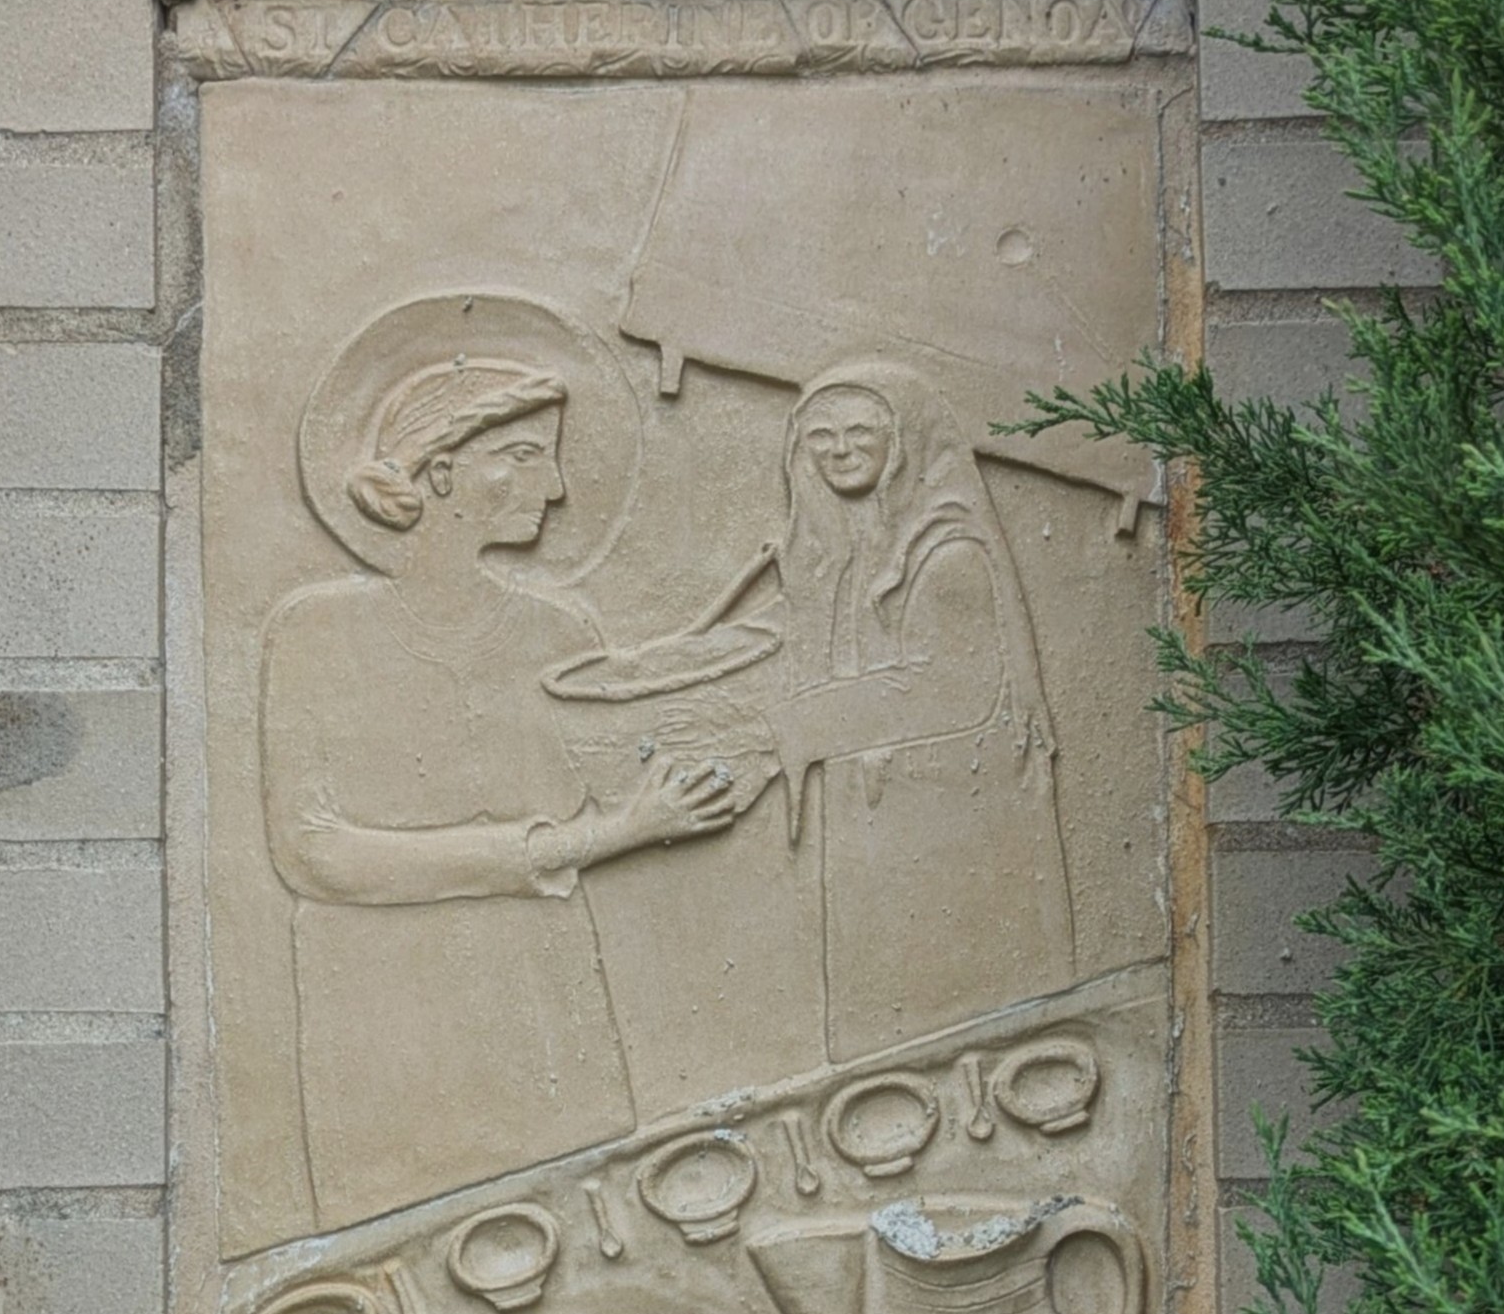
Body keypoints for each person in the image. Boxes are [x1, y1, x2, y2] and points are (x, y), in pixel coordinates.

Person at [261, 356, 736, 1232]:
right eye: (522, 456)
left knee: (585, 1232)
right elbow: (313, 849)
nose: (553, 486)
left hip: (544, 1002)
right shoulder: (316, 632)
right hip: (385, 1014)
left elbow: (633, 784)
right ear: (440, 471)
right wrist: (572, 843)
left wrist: (711, 698)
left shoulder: (561, 631)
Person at [773, 361, 1073, 1060]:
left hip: (951, 821)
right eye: (818, 436)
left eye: (857, 432)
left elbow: (948, 688)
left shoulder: (948, 545)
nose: (837, 449)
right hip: (878, 825)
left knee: (962, 1009)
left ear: (904, 438)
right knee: (881, 1015)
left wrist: (797, 726)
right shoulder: (857, 548)